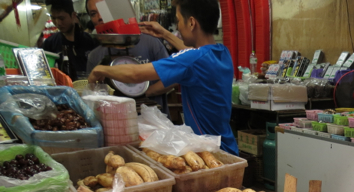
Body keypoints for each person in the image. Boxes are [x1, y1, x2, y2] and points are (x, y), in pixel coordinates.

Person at [88, 0, 239, 155]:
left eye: (179, 20)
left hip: (213, 154)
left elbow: (135, 74)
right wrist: (164, 34)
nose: (178, 26)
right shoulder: (221, 52)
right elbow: (194, 56)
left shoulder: (191, 59)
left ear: (192, 23)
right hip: (228, 147)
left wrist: (101, 70)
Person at [85, 0, 173, 118]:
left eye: (102, 10)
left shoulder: (151, 43)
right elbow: (93, 95)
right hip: (116, 124)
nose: (100, 17)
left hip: (155, 124)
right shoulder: (95, 56)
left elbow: (172, 78)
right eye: (93, 13)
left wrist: (143, 92)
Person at [43, 0, 97, 77]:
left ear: (73, 15)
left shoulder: (90, 41)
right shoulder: (50, 43)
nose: (58, 23)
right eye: (54, 18)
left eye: (62, 18)